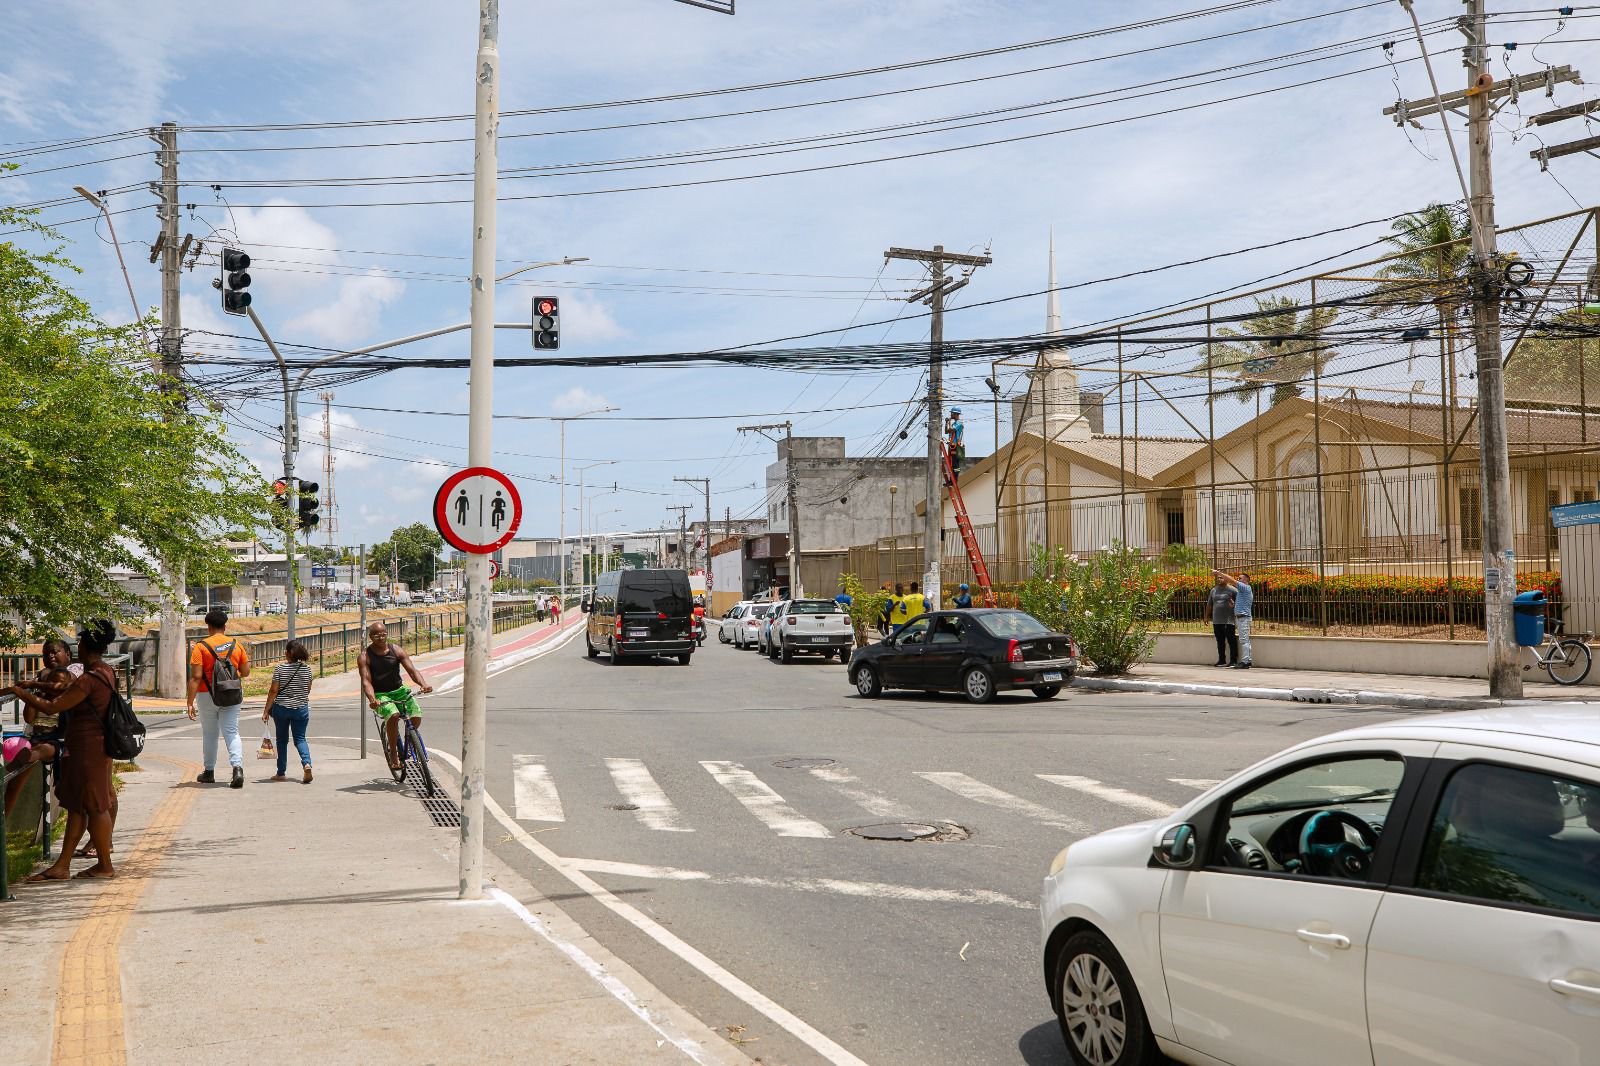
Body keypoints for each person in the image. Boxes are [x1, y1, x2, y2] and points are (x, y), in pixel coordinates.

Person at [3, 622, 119, 880]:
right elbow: (65, 689)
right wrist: (36, 684)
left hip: (88, 749)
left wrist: (19, 692)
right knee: (77, 805)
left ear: (84, 647)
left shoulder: (90, 679)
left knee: (96, 806)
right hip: (86, 747)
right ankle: (62, 865)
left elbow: (52, 707)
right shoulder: (105, 671)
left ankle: (105, 866)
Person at [2, 639, 80, 817]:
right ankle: (2, 825)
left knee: (77, 792)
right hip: (36, 736)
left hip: (65, 740)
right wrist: (35, 692)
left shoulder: (73, 674)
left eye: (55, 652)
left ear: (67, 654)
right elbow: (29, 718)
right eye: (46, 653)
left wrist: (31, 686)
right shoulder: (41, 678)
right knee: (14, 784)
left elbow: (65, 687)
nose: (50, 656)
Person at [186, 609, 251, 788]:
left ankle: (209, 772)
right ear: (225, 626)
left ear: (208, 626)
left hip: (206, 695)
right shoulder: (236, 645)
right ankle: (237, 768)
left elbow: (196, 677)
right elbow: (245, 672)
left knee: (210, 733)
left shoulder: (200, 647)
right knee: (231, 731)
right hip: (231, 693)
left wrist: (189, 701)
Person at [358, 622, 434, 772]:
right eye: (376, 635)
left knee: (416, 713)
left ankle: (410, 739)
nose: (380, 637)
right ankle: (394, 753)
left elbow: (412, 670)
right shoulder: (365, 656)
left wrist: (423, 684)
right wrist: (373, 699)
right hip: (381, 695)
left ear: (387, 634)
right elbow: (366, 681)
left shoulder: (396, 650)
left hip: (399, 690)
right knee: (393, 715)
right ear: (371, 637)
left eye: (383, 634)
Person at [262, 640, 315, 783]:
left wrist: (266, 710)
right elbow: (308, 689)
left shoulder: (280, 669)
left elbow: (274, 691)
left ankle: (281, 772)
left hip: (282, 709)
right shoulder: (307, 669)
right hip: (301, 708)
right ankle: (307, 763)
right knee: (300, 739)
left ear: (288, 653)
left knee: (282, 740)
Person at [1214, 569, 1254, 669]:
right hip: (1242, 618)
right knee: (1245, 640)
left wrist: (1219, 573)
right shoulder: (1243, 590)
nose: (1238, 580)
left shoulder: (1245, 587)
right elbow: (1244, 604)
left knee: (1244, 640)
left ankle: (1245, 662)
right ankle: (1247, 660)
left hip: (1243, 618)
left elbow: (1231, 580)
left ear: (1245, 580)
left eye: (1240, 578)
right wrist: (1234, 605)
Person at [1206, 574, 1238, 668]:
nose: (1219, 579)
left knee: (1231, 641)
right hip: (1217, 620)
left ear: (1227, 579)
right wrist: (1206, 616)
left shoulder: (1233, 590)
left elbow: (1239, 603)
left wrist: (1234, 606)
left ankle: (1233, 660)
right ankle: (1221, 660)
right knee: (1220, 641)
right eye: (1218, 578)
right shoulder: (1214, 590)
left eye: (1221, 577)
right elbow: (1209, 604)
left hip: (1229, 620)